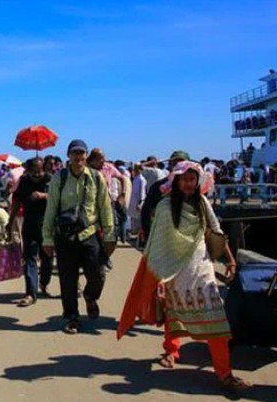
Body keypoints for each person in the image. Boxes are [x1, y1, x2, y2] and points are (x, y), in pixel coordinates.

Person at [117, 161, 251, 390]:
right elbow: (156, 246)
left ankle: (224, 372)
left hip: (202, 267)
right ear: (177, 181)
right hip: (174, 271)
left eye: (192, 179)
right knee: (173, 312)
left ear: (197, 181)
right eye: (184, 179)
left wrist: (229, 259)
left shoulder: (202, 202)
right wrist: (158, 278)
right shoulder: (165, 206)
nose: (189, 183)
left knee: (215, 317)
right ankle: (172, 351)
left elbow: (216, 231)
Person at [42, 139, 115, 334]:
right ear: (69, 156)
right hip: (65, 236)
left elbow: (105, 207)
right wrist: (47, 239)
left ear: (86, 156)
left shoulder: (96, 178)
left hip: (89, 233)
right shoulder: (60, 178)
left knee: (97, 274)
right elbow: (51, 209)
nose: (78, 157)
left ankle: (90, 296)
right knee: (68, 279)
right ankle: (72, 317)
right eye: (74, 153)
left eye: (81, 153)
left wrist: (109, 234)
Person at [8, 157, 52, 306]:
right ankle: (31, 294)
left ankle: (44, 283)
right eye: (34, 171)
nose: (37, 174)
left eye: (39, 171)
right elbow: (17, 202)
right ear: (28, 170)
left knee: (47, 260)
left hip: (48, 226)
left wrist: (42, 195)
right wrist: (10, 221)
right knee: (30, 260)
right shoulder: (24, 181)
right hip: (30, 225)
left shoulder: (50, 179)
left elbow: (59, 198)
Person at [140, 150, 190, 244]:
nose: (178, 166)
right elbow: (146, 212)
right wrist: (148, 236)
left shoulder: (194, 189)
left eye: (182, 163)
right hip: (161, 238)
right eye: (175, 163)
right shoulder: (158, 187)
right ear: (170, 165)